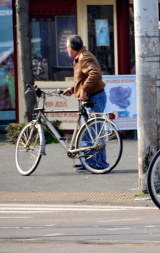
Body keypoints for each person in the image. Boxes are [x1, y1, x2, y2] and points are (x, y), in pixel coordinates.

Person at [63, 35, 108, 171]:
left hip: (95, 98)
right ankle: (91, 162)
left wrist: (84, 89)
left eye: (66, 47)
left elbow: (95, 73)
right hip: (92, 97)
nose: (66, 49)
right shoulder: (81, 57)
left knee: (92, 133)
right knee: (91, 133)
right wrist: (73, 89)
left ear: (71, 48)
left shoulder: (84, 57)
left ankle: (96, 164)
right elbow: (84, 78)